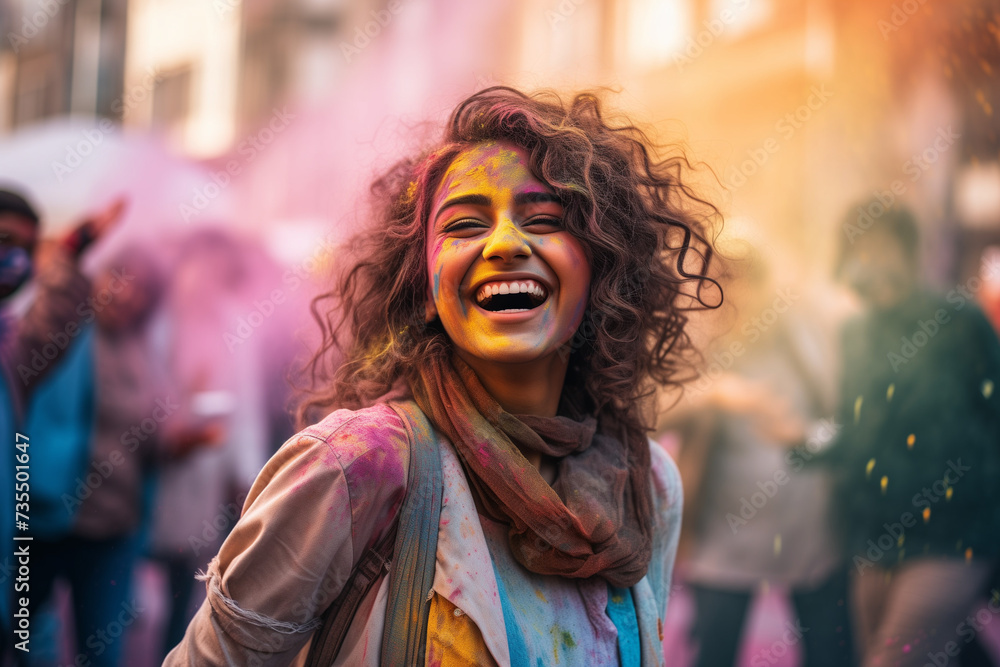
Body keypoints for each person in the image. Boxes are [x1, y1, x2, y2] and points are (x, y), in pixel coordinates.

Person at [164, 86, 719, 666]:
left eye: (545, 219)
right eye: (464, 225)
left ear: (600, 270)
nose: (505, 243)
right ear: (424, 288)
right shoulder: (358, 466)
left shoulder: (647, 485)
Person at [822, 203, 1000, 667]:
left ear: (908, 252)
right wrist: (804, 443)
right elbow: (851, 429)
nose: (871, 263)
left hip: (953, 537)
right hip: (874, 539)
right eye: (858, 251)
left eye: (882, 249)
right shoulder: (854, 333)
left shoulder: (959, 322)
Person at [670, 252, 855, 667]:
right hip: (722, 545)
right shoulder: (698, 342)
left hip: (811, 539)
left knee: (830, 655)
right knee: (714, 654)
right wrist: (716, 392)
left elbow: (844, 425)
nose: (738, 294)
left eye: (749, 281)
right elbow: (648, 411)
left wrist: (805, 436)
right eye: (727, 281)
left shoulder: (807, 341)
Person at [0, 190, 123, 663]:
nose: (14, 258)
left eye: (24, 249)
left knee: (32, 638)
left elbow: (44, 331)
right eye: (4, 239)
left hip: (52, 519)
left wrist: (73, 249)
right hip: (40, 515)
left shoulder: (11, 341)